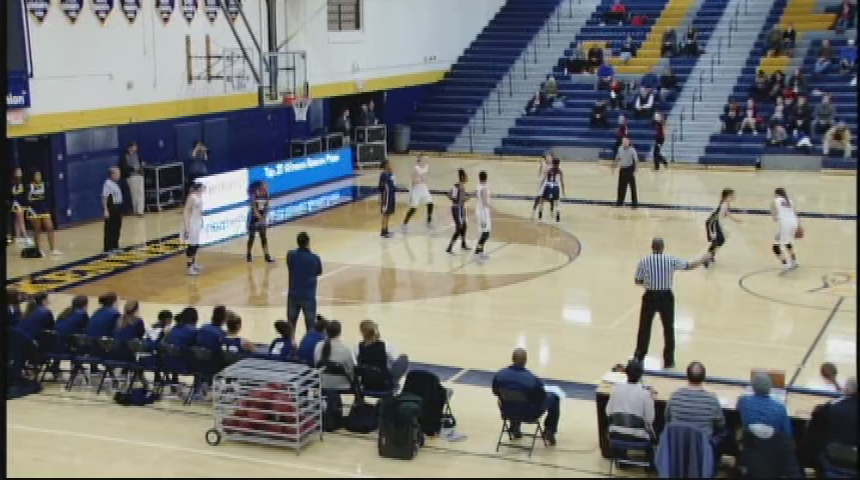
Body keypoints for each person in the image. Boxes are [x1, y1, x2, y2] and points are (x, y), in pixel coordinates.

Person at [633, 239, 710, 368]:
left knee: (644, 328)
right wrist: (703, 259)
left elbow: (637, 280)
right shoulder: (670, 260)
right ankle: (669, 361)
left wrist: (648, 283)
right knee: (668, 329)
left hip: (650, 296)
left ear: (651, 247)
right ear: (663, 247)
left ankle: (639, 357)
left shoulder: (644, 261)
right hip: (666, 297)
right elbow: (688, 265)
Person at [492, 348, 560, 446]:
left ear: (512, 359)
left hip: (507, 411)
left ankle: (514, 426)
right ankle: (550, 431)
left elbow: (495, 392)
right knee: (554, 397)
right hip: (529, 415)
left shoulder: (499, 375)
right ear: (525, 361)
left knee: (513, 400)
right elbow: (540, 399)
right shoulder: (532, 379)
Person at [665, 362, 726, 436]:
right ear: (704, 378)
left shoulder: (674, 396)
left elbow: (667, 419)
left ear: (687, 376)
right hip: (702, 446)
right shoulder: (711, 400)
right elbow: (720, 424)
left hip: (677, 444)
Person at [606, 359, 656, 442]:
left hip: (615, 433)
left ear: (626, 373)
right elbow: (650, 419)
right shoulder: (646, 394)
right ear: (641, 375)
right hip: (638, 437)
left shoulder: (616, 389)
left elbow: (608, 412)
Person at [286, 231, 323, 335]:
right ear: (308, 242)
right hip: (308, 297)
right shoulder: (314, 258)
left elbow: (290, 266)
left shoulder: (291, 255)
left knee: (290, 326)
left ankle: (290, 347)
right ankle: (308, 347)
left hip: (293, 295)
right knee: (310, 328)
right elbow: (319, 272)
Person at [356, 319, 408, 390]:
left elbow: (357, 366)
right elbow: (394, 361)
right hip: (384, 383)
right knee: (403, 357)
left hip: (366, 383)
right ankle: (395, 382)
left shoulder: (357, 347)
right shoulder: (385, 345)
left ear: (361, 332)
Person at [314, 320, 356, 391]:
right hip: (342, 384)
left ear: (326, 332)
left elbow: (316, 365)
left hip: (323, 383)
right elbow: (351, 371)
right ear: (340, 333)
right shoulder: (346, 349)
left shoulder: (318, 346)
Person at [704, 188, 740, 268]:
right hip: (713, 223)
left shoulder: (725, 203)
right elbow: (716, 216)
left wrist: (735, 220)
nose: (734, 197)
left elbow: (726, 213)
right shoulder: (723, 204)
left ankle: (711, 255)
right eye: (732, 195)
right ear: (727, 196)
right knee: (717, 241)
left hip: (717, 223)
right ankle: (706, 258)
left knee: (721, 240)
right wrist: (714, 227)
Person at [27, 170, 60, 256]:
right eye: (36, 175)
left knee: (50, 227)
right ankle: (39, 249)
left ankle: (53, 249)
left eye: (39, 175)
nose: (38, 177)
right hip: (35, 209)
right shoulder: (30, 185)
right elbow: (27, 199)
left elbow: (48, 196)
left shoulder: (45, 184)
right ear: (33, 177)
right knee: (37, 229)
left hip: (44, 208)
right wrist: (29, 209)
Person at [770, 188, 802, 273]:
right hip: (794, 224)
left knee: (775, 247)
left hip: (785, 225)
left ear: (776, 194)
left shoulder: (774, 201)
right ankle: (794, 262)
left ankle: (786, 265)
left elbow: (774, 218)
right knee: (788, 242)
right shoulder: (790, 201)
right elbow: (796, 214)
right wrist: (799, 227)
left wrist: (777, 216)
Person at [401, 154, 434, 232]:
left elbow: (425, 170)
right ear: (419, 160)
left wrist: (427, 162)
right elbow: (422, 171)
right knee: (413, 208)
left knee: (430, 203)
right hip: (416, 189)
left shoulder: (423, 167)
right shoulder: (415, 167)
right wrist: (427, 162)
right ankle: (404, 223)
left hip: (423, 187)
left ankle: (429, 221)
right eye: (422, 159)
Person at [246, 181, 275, 263]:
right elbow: (253, 208)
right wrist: (259, 217)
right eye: (265, 186)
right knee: (251, 238)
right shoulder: (254, 195)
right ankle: (248, 254)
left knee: (263, 237)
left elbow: (267, 206)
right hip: (253, 218)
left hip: (262, 218)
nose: (267, 188)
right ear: (260, 187)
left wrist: (264, 217)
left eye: (267, 187)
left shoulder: (266, 194)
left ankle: (267, 256)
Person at [446, 168, 471, 254]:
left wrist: (464, 198)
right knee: (459, 228)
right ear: (462, 177)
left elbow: (450, 195)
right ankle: (450, 247)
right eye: (466, 176)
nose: (467, 178)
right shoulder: (459, 187)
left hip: (460, 209)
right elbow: (458, 198)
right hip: (457, 209)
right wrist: (465, 198)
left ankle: (463, 244)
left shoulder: (459, 186)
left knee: (464, 226)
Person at [183, 182, 205, 275]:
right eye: (202, 188)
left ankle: (194, 263)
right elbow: (186, 211)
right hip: (192, 223)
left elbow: (199, 211)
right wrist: (187, 227)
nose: (203, 190)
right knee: (191, 246)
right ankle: (189, 267)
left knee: (196, 245)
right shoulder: (192, 197)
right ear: (198, 188)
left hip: (197, 222)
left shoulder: (199, 196)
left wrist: (202, 220)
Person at [612, 137, 640, 209]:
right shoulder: (620, 148)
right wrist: (614, 166)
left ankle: (634, 204)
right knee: (621, 187)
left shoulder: (632, 150)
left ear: (628, 142)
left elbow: (636, 160)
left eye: (626, 142)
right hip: (622, 169)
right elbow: (617, 157)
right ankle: (620, 202)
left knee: (632, 187)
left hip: (629, 169)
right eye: (623, 142)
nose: (624, 143)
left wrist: (636, 170)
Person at [102, 167, 124, 254]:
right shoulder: (108, 184)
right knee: (110, 228)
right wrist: (106, 210)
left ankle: (115, 245)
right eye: (117, 174)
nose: (119, 175)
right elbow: (104, 197)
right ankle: (108, 248)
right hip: (112, 207)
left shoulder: (116, 183)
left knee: (117, 227)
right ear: (112, 175)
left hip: (118, 207)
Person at [537, 157, 565, 223]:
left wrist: (540, 187)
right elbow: (562, 182)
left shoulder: (549, 170)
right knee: (557, 201)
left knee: (542, 200)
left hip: (548, 185)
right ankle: (558, 214)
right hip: (556, 186)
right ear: (558, 164)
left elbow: (544, 179)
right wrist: (563, 191)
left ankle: (540, 213)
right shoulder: (560, 171)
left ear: (552, 163)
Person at [121, 142, 145, 216]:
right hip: (132, 177)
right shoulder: (125, 157)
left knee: (141, 192)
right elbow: (124, 168)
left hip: (139, 175)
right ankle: (135, 210)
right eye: (134, 147)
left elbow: (140, 162)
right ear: (129, 148)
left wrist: (142, 165)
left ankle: (140, 211)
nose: (135, 148)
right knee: (134, 194)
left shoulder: (137, 155)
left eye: (136, 147)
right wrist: (132, 169)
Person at [473, 171, 493, 260]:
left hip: (480, 210)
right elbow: (485, 202)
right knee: (486, 233)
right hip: (484, 212)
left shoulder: (479, 186)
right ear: (486, 177)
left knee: (485, 232)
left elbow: (479, 198)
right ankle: (479, 251)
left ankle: (478, 250)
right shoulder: (484, 188)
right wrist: (490, 205)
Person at [10, 167, 31, 245]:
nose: (19, 173)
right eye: (17, 171)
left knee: (17, 220)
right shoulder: (12, 183)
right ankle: (25, 237)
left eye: (20, 171)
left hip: (22, 202)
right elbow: (12, 194)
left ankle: (18, 237)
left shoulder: (23, 182)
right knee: (21, 220)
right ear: (14, 173)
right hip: (16, 203)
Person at [378, 160, 396, 238]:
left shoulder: (390, 174)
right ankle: (383, 231)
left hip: (391, 196)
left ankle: (386, 230)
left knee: (388, 213)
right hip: (386, 197)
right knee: (385, 214)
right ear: (386, 165)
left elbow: (393, 184)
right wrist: (382, 198)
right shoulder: (383, 174)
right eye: (389, 163)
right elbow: (381, 187)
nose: (390, 165)